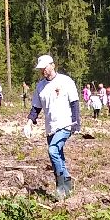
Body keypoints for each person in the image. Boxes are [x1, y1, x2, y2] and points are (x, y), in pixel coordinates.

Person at [27, 54, 81, 197]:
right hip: (50, 127)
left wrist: (76, 123)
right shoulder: (40, 86)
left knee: (53, 150)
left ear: (52, 65)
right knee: (57, 157)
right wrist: (29, 123)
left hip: (65, 124)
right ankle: (65, 186)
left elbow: (74, 102)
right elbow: (36, 108)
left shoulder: (65, 81)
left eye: (45, 67)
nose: (42, 71)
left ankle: (63, 185)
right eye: (41, 69)